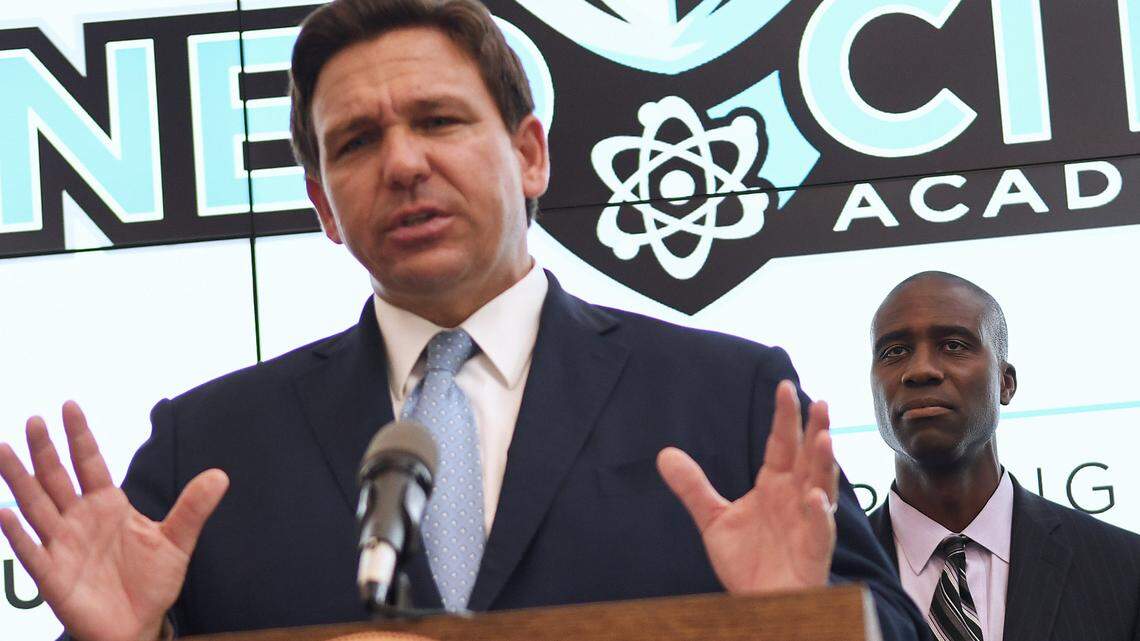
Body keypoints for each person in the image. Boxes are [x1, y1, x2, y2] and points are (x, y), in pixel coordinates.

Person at [0, 1, 924, 639]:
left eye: (438, 121)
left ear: (528, 154)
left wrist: (799, 619)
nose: (402, 163)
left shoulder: (727, 398)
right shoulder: (205, 447)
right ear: (324, 206)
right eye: (357, 142)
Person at [866, 271, 1140, 641]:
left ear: (1005, 383)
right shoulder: (821, 579)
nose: (920, 370)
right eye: (895, 351)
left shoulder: (1124, 569)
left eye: (953, 345)